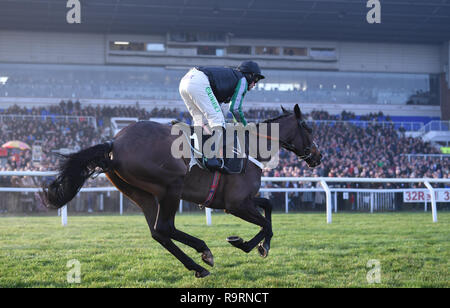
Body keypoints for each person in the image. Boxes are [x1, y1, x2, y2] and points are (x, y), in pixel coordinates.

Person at [178, 60, 265, 173]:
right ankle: (209, 156)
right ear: (249, 75)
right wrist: (245, 125)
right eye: (256, 80)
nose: (254, 84)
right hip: (198, 81)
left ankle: (195, 158)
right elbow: (235, 108)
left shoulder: (229, 80)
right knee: (218, 121)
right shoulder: (242, 80)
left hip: (185, 81)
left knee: (201, 122)